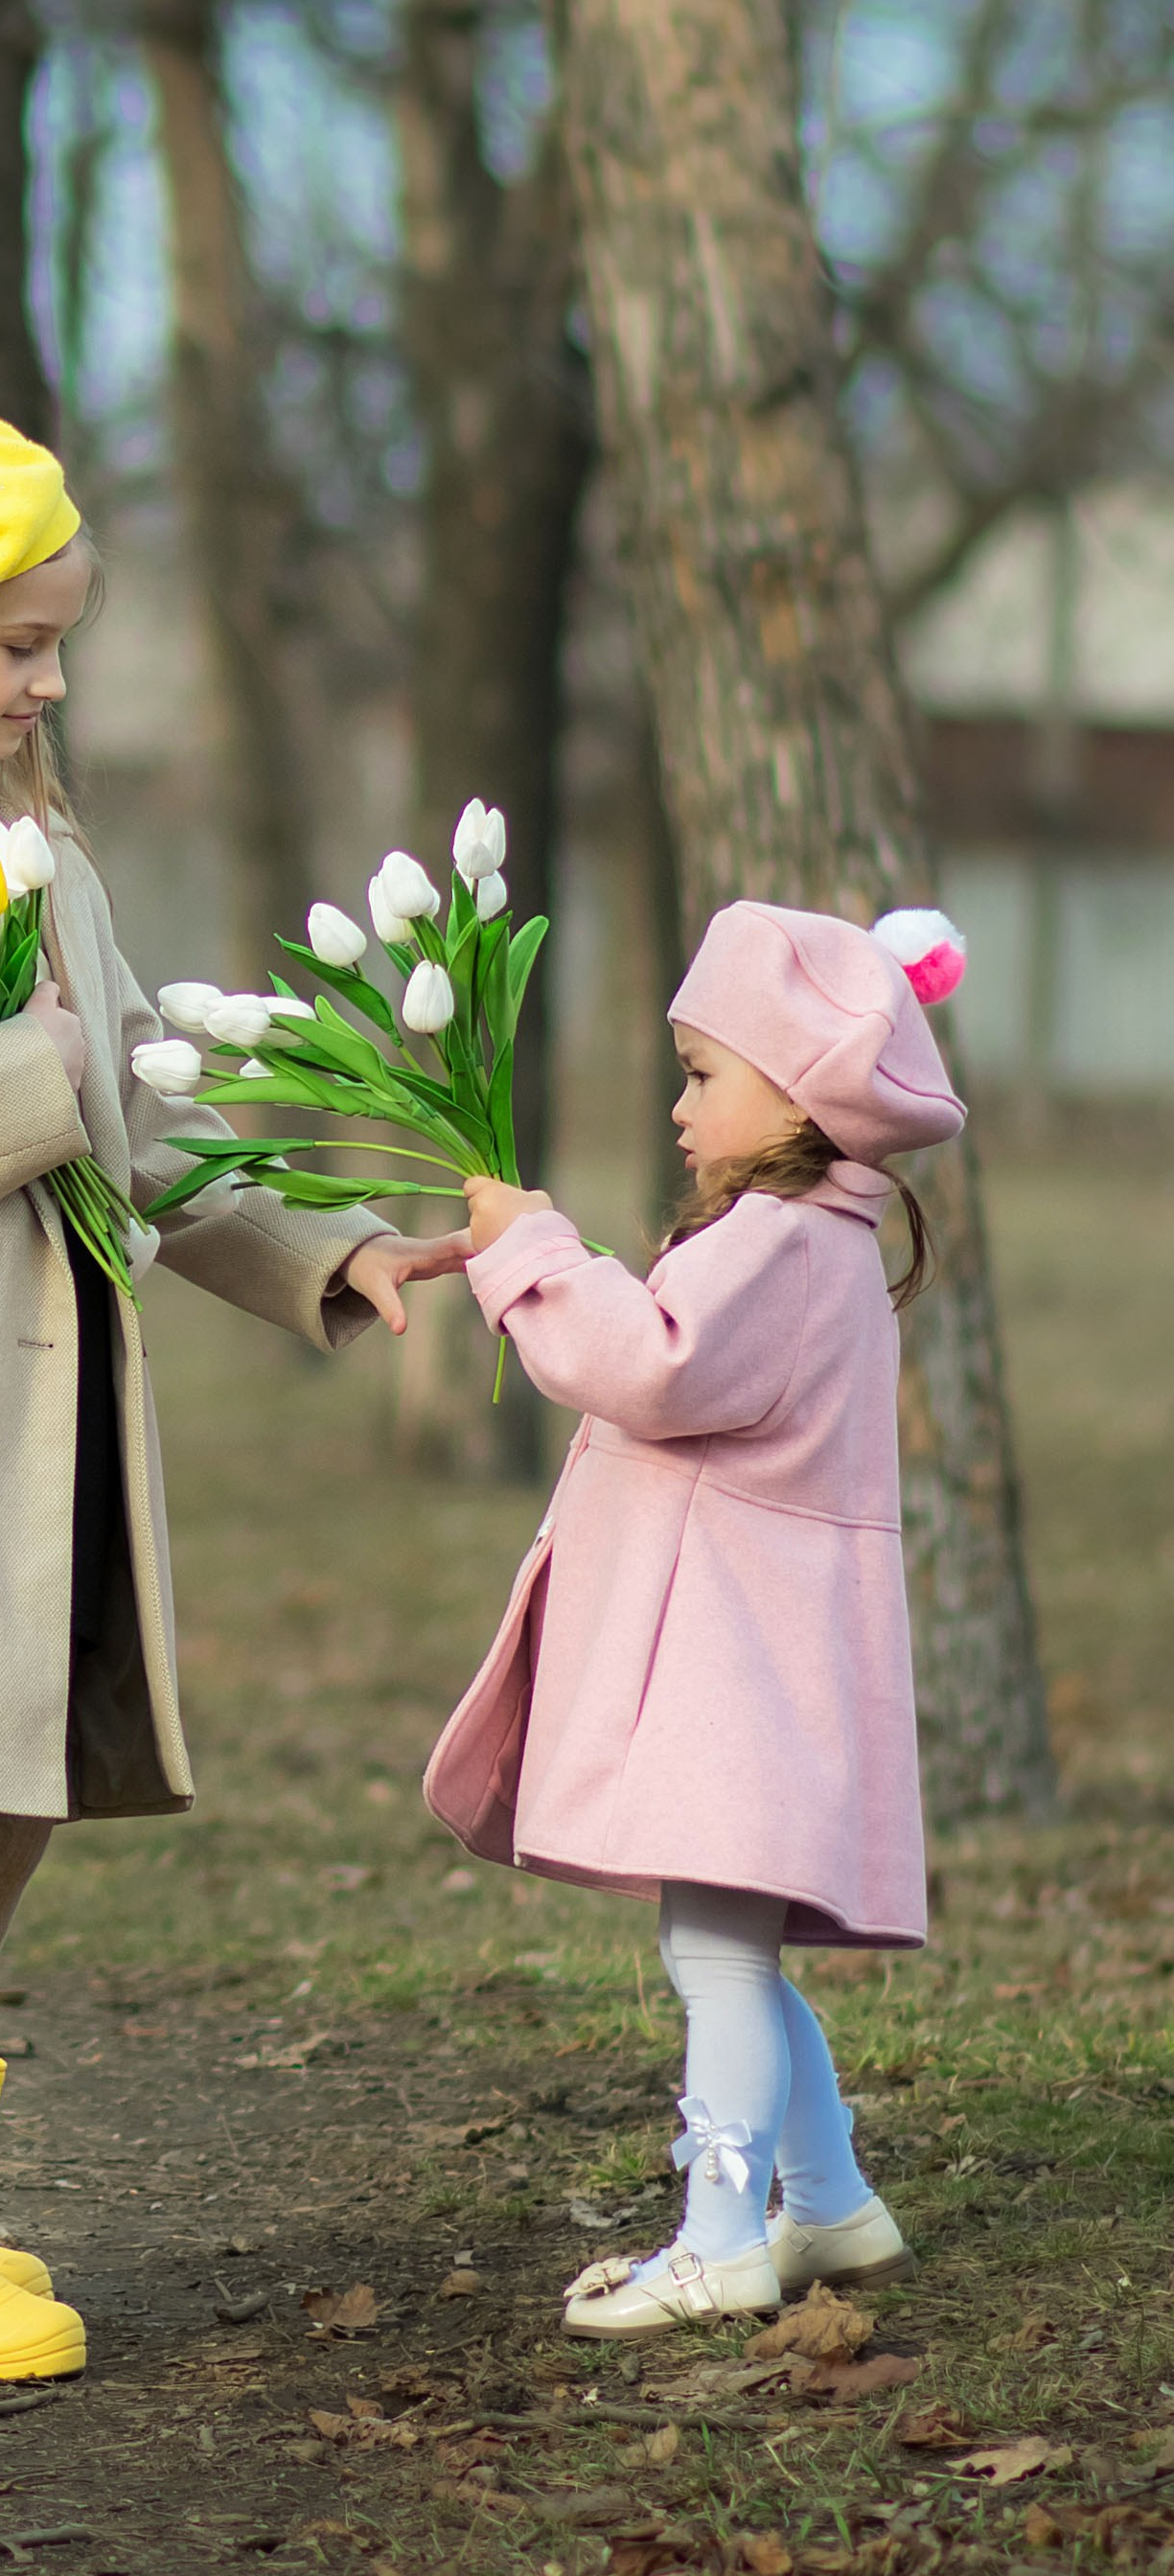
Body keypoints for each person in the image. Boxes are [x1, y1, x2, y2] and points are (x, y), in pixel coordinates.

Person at [0, 409, 455, 2382]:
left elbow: (139, 1101)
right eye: (18, 644)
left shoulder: (38, 848)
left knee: (11, 1775)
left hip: (56, 1395)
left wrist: (322, 1251)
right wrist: (28, 1074)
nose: (49, 682)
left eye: (59, 644)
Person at [421, 898, 969, 2334]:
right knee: (727, 1955)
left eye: (702, 1073)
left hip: (738, 1674)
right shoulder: (804, 1237)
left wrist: (533, 1251)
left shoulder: (778, 1241)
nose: (677, 1105)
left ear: (796, 1096)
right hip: (754, 1664)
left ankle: (722, 2234)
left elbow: (649, 1367)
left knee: (718, 1961)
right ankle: (829, 2199)